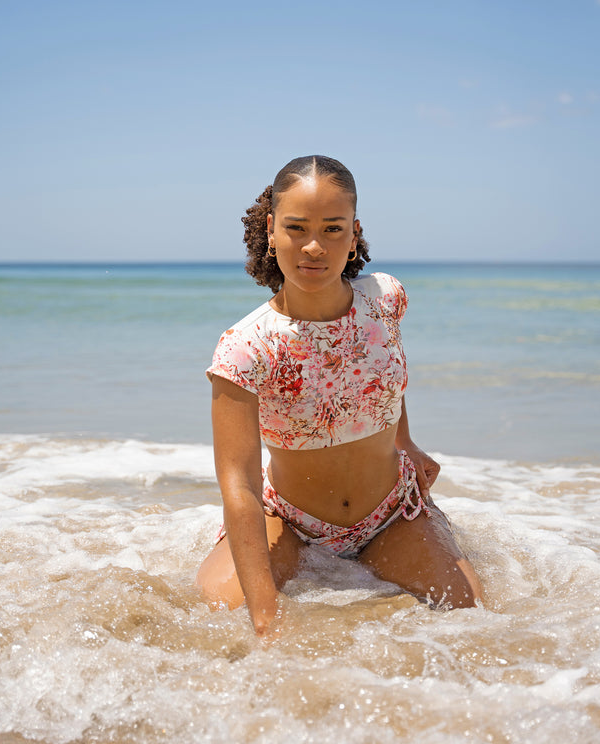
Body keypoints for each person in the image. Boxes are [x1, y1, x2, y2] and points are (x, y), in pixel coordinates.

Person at [196, 155, 483, 636]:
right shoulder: (245, 347)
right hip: (289, 521)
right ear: (270, 230)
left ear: (354, 233)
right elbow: (239, 487)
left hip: (392, 512)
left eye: (333, 228)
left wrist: (405, 442)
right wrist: (266, 616)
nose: (314, 246)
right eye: (296, 227)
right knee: (218, 615)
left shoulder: (385, 297)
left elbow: (384, 369)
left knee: (470, 616)